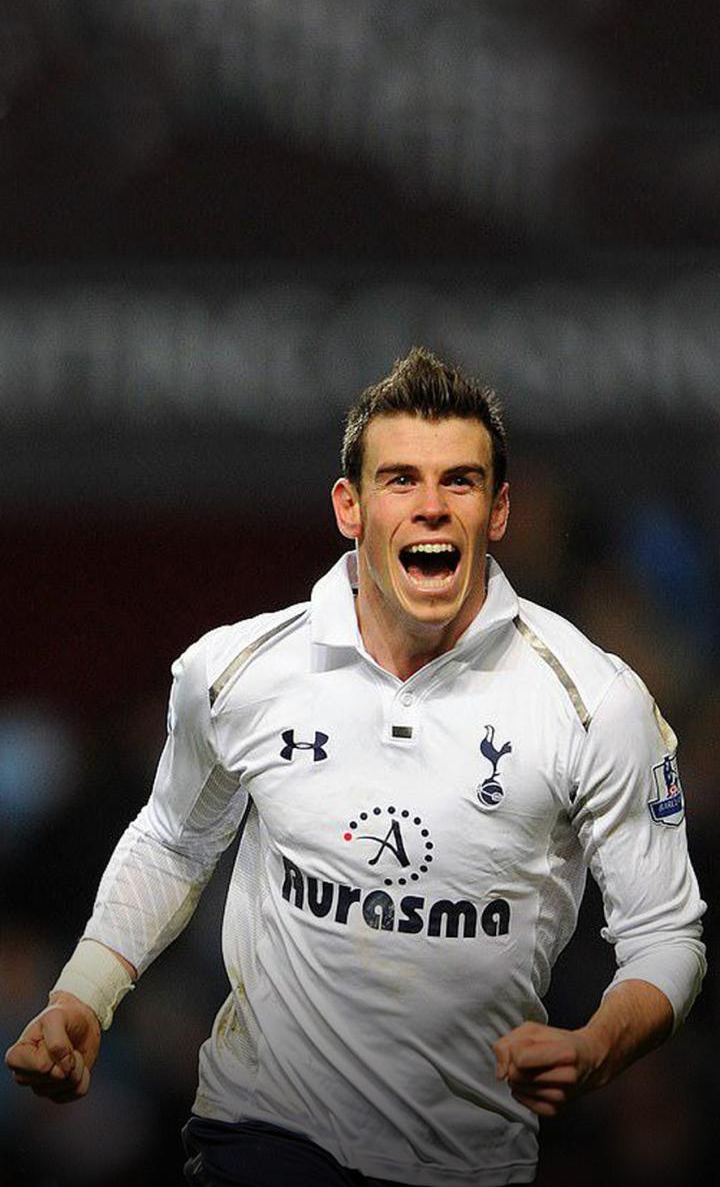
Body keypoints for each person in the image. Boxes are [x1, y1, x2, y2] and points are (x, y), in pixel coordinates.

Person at [5, 348, 706, 1187]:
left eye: (460, 481)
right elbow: (173, 842)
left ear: (498, 510)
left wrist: (595, 1048)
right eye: (401, 479)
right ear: (351, 506)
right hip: (263, 1137)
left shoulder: (595, 702)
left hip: (467, 1161)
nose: (432, 506)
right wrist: (81, 996)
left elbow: (666, 936)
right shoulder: (237, 671)